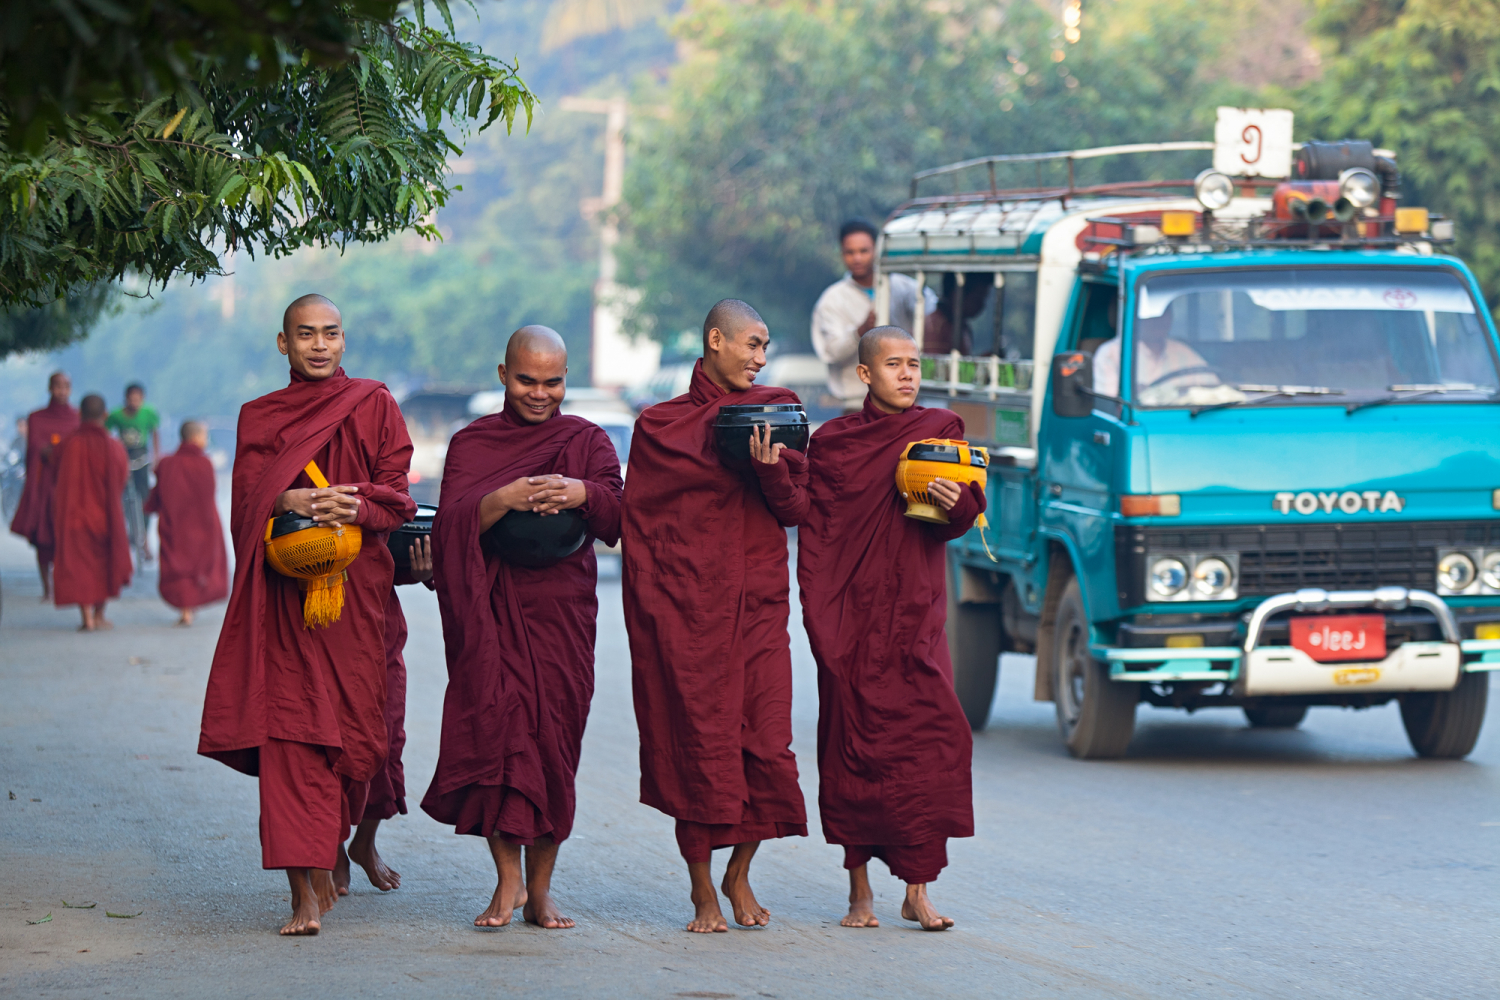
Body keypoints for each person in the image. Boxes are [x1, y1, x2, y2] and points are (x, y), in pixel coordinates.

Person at [198, 294, 416, 936]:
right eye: (305, 335)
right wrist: (286, 496)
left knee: (358, 736)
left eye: (330, 334)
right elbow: (245, 508)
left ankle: (336, 851)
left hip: (357, 600)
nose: (320, 345)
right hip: (288, 608)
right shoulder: (260, 416)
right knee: (293, 733)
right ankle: (302, 891)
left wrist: (356, 507)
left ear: (344, 340)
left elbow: (398, 495)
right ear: (282, 344)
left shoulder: (374, 402)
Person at [423, 325, 624, 930]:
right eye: (527, 380)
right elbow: (450, 524)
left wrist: (579, 490)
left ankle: (540, 890)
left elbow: (619, 515)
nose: (540, 394)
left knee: (554, 744)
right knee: (500, 735)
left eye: (553, 382)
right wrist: (506, 496)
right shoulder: (473, 442)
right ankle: (507, 878)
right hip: (495, 606)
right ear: (503, 373)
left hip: (562, 609)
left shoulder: (586, 440)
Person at [624, 299, 809, 933]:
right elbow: (644, 528)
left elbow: (795, 510)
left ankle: (740, 872)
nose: (761, 359)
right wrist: (657, 611)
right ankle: (703, 888)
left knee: (765, 741)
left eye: (765, 348)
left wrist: (773, 474)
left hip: (757, 606)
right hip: (688, 613)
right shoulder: (660, 426)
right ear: (715, 341)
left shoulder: (775, 414)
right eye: (752, 345)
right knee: (698, 743)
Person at [798, 326, 984, 931]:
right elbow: (816, 526)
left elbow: (965, 515)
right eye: (894, 365)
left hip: (914, 616)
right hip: (852, 617)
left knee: (929, 742)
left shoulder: (940, 430)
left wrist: (952, 500)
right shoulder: (834, 445)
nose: (907, 375)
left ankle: (918, 888)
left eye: (914, 365)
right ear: (865, 375)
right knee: (852, 744)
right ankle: (859, 892)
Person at [336, 533, 434, 897]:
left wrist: (422, 568)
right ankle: (332, 850)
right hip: (318, 606)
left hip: (378, 624)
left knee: (386, 739)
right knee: (330, 742)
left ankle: (364, 842)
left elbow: (392, 526)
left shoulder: (381, 476)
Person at [811, 220, 936, 411]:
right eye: (850, 252)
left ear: (876, 250)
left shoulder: (901, 286)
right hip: (858, 404)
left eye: (864, 251)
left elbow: (932, 308)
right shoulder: (832, 300)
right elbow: (830, 352)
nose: (857, 258)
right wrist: (860, 332)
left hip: (904, 401)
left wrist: (917, 331)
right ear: (842, 254)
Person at [51, 394, 133, 631]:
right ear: (105, 415)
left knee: (79, 565)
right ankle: (99, 615)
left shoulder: (68, 444)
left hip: (73, 515)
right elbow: (120, 479)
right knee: (102, 564)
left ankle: (85, 615)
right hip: (104, 517)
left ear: (80, 414)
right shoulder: (114, 446)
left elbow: (55, 471)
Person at [144, 421, 229, 626]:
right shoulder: (205, 463)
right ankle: (190, 608)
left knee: (178, 564)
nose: (205, 440)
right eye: (204, 435)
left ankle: (186, 611)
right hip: (202, 524)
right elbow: (208, 496)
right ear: (196, 437)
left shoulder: (166, 463)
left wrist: (152, 507)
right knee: (197, 566)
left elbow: (158, 494)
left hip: (175, 524)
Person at [9, 372, 79, 600]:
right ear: (49, 388)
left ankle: (61, 582)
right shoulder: (36, 418)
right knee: (42, 536)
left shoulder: (77, 418)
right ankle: (46, 586)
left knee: (65, 536)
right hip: (44, 485)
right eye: (57, 386)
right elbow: (34, 453)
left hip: (69, 486)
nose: (62, 391)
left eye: (66, 387)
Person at [1092, 311, 1211, 398]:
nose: (1159, 320)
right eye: (1152, 315)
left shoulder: (1183, 352)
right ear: (1136, 317)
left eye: (1165, 313)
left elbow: (1214, 389)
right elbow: (1109, 406)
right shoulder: (1112, 353)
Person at [106, 383, 161, 565]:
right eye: (131, 399)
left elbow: (155, 433)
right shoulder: (116, 415)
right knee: (121, 499)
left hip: (142, 458)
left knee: (145, 500)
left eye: (138, 399)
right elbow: (106, 431)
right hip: (123, 459)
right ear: (126, 399)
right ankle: (125, 535)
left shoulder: (149, 413)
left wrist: (156, 456)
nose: (135, 403)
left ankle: (145, 542)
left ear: (142, 399)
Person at [922, 272, 991, 356]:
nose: (981, 305)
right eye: (977, 299)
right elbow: (934, 367)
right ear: (957, 295)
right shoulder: (935, 329)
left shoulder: (959, 326)